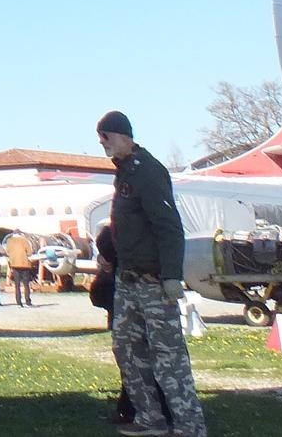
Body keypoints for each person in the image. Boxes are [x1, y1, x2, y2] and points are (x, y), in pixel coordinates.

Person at [98, 111, 206, 437]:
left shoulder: (148, 171)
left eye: (105, 137)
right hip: (128, 279)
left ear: (121, 135)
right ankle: (150, 418)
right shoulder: (126, 171)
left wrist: (171, 275)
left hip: (153, 280)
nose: (102, 144)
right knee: (126, 348)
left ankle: (189, 426)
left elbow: (169, 226)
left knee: (168, 356)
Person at [4, 231, 36, 307]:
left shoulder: (9, 241)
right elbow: (30, 252)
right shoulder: (24, 240)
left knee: (17, 285)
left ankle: (18, 302)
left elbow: (7, 252)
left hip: (14, 264)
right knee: (26, 284)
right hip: (24, 264)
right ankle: (28, 301)